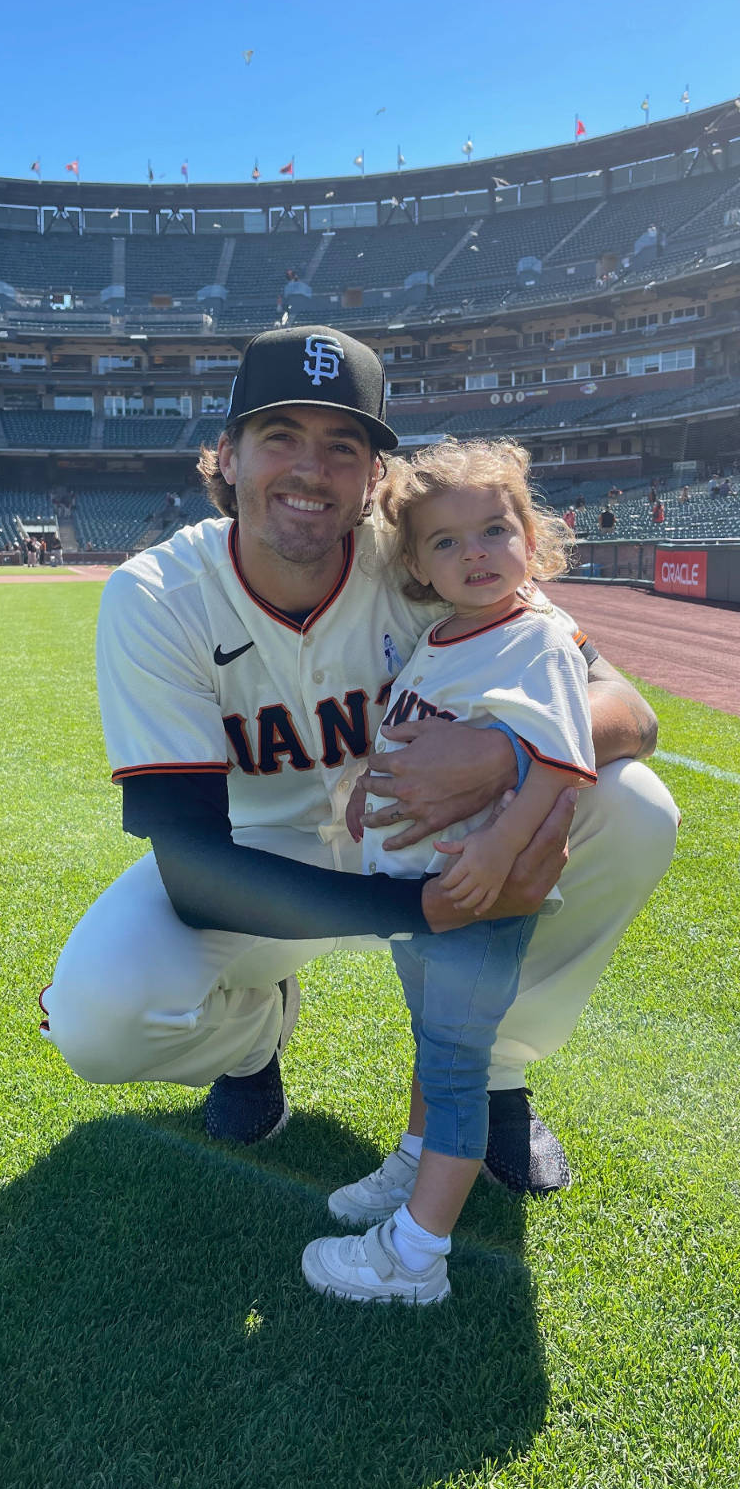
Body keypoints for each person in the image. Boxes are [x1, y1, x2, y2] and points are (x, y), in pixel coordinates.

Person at [41, 325, 678, 1206]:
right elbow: (192, 872)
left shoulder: (426, 557)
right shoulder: (158, 595)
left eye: (343, 447)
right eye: (280, 439)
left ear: (376, 477)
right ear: (225, 456)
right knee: (97, 1020)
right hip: (256, 866)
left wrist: (501, 755)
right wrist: (422, 913)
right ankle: (254, 1039)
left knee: (636, 805)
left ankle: (492, 1069)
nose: (311, 471)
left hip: (430, 840)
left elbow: (627, 712)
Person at [301, 441, 596, 1303]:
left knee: (458, 1070)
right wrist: (366, 790)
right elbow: (411, 725)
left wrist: (502, 851)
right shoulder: (448, 635)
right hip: (421, 894)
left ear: (531, 541)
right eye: (444, 542)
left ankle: (417, 1257)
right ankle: (411, 1165)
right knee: (433, 1049)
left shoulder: (533, 637)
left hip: (477, 898)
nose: (473, 553)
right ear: (419, 567)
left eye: (494, 531)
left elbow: (560, 759)